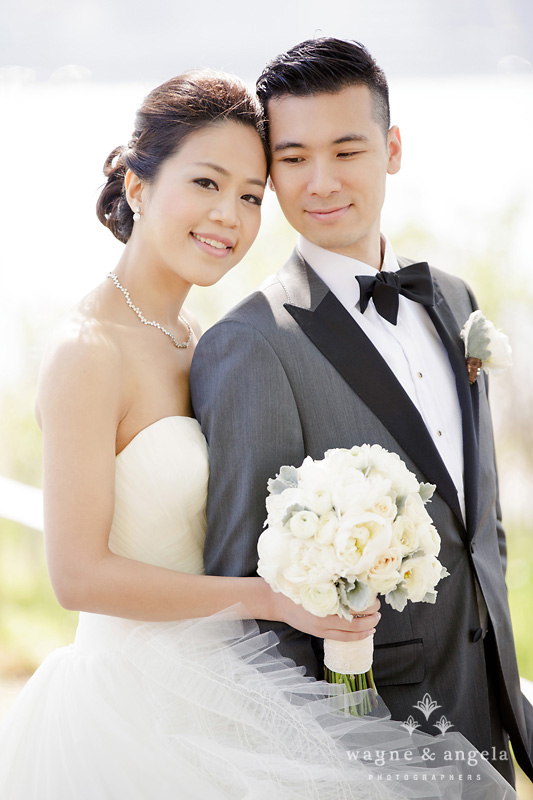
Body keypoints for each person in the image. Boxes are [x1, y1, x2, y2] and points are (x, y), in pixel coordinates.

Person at [0, 67, 514, 799]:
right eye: (206, 184)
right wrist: (269, 598)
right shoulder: (88, 351)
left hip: (241, 677)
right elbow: (76, 578)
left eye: (249, 196)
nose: (229, 218)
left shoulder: (194, 333)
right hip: (138, 706)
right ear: (139, 186)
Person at [190, 37, 533, 789]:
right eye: (292, 158)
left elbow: (482, 524)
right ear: (269, 170)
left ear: (393, 148)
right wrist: (334, 760)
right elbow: (246, 602)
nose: (321, 182)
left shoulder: (454, 299)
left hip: (492, 699)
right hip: (374, 737)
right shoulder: (248, 346)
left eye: (347, 150)